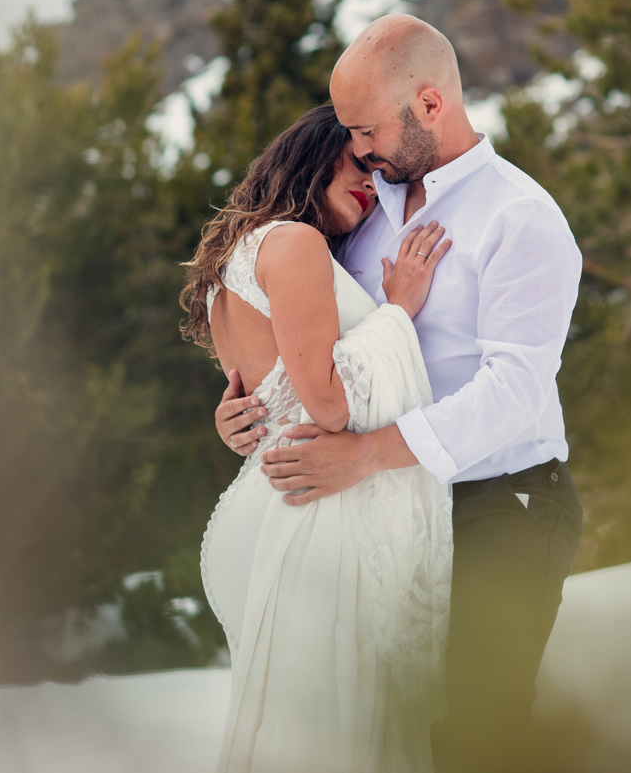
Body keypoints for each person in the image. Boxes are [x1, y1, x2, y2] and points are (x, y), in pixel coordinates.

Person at [214, 15, 584, 773]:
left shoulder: (519, 218)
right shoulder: (357, 214)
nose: (356, 148)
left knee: (476, 737)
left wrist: (366, 456)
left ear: (430, 104)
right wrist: (248, 408)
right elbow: (323, 353)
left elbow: (515, 392)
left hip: (499, 506)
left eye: (366, 127)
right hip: (390, 516)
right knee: (394, 734)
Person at [185, 104, 456, 773]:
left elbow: (260, 399)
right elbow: (329, 405)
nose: (370, 182)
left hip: (278, 502)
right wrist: (399, 310)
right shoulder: (295, 243)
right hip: (315, 516)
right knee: (344, 734)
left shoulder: (232, 265)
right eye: (356, 161)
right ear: (311, 154)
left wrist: (229, 421)